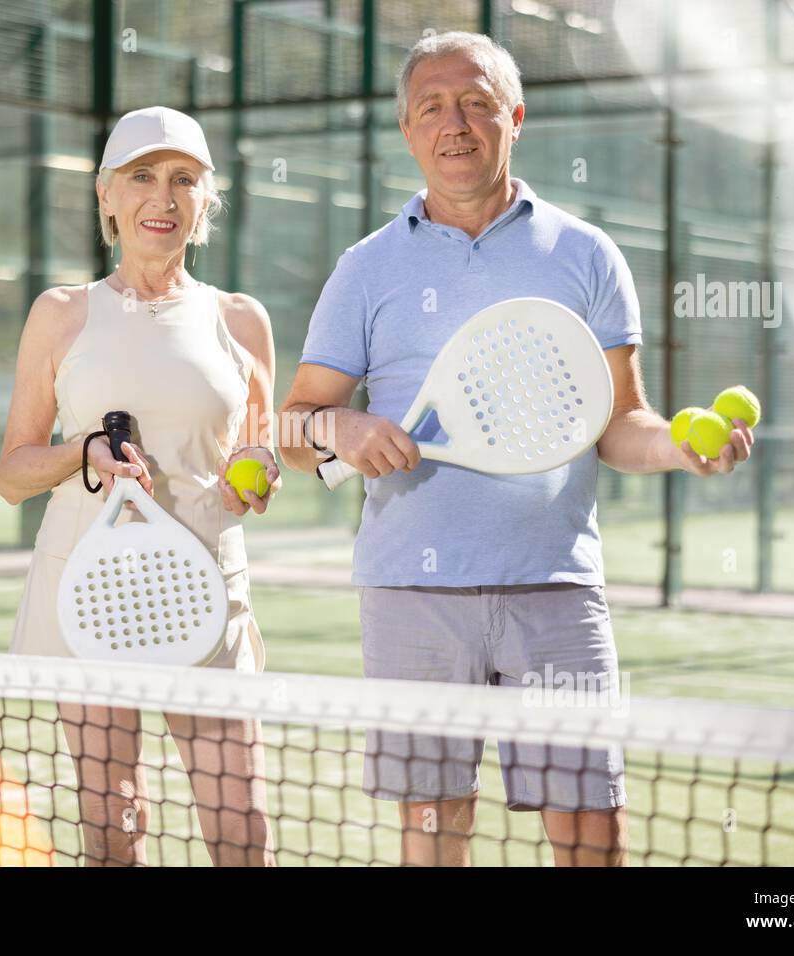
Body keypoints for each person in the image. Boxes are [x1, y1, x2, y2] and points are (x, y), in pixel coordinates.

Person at [279, 32, 754, 867]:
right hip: (410, 590)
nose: (454, 124)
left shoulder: (585, 254)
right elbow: (296, 426)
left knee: (590, 829)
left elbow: (616, 425)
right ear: (408, 130)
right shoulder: (365, 269)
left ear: (516, 118)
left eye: (477, 103)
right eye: (431, 107)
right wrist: (340, 427)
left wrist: (680, 450)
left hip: (557, 587)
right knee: (433, 825)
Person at [0, 106, 280, 866]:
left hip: (208, 594)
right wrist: (83, 450)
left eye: (183, 180)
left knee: (241, 831)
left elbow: (256, 451)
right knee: (115, 828)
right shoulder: (59, 314)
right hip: (86, 593)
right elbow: (13, 473)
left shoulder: (242, 321)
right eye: (143, 178)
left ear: (205, 201)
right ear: (107, 199)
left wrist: (256, 474)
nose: (163, 197)